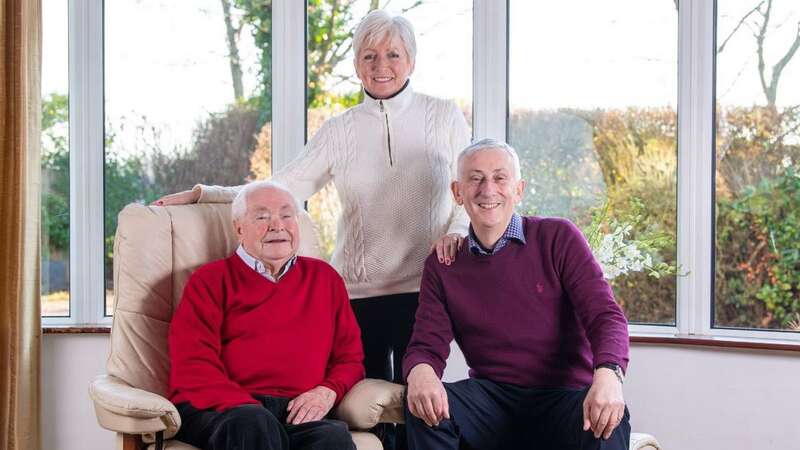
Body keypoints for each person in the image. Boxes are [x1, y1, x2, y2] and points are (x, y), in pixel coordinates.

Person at [157, 10, 470, 449]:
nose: (382, 65)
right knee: (371, 409)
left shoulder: (443, 116)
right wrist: (205, 193)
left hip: (425, 283)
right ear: (356, 65)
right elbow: (280, 189)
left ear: (411, 61)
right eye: (369, 55)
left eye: (393, 54)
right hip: (360, 288)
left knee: (417, 403)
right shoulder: (340, 130)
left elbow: (470, 184)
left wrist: (456, 230)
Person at [402, 138, 631, 450]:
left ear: (519, 189)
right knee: (423, 407)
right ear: (458, 192)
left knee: (608, 419)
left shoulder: (557, 238)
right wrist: (421, 374)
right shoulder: (444, 264)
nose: (488, 189)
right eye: (475, 178)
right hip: (492, 400)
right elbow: (425, 345)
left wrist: (609, 376)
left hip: (564, 397)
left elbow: (606, 316)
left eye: (499, 178)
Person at [168, 181, 364, 450]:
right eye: (262, 217)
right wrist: (250, 407)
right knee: (253, 423)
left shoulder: (325, 279)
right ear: (239, 229)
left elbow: (350, 359)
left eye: (286, 215)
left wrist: (326, 391)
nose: (277, 225)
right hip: (220, 408)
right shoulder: (210, 281)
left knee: (333, 438)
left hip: (295, 410)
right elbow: (193, 365)